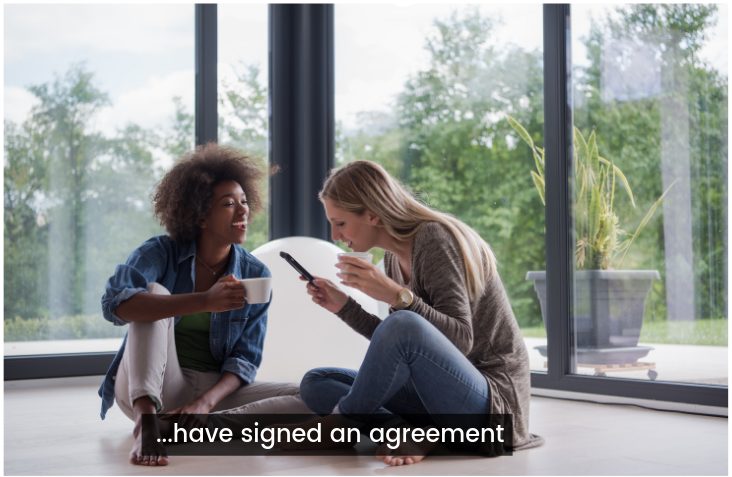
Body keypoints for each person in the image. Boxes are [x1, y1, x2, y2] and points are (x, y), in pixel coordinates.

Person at [299, 160, 543, 466]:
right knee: (317, 382)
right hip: (439, 395)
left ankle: (345, 422)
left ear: (372, 214)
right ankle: (411, 432)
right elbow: (402, 348)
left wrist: (394, 294)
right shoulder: (392, 258)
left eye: (341, 223)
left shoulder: (434, 239)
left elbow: (460, 339)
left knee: (401, 325)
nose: (335, 235)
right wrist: (344, 307)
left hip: (494, 406)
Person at [98, 144, 303, 466]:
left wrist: (205, 403)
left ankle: (197, 426)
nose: (243, 211)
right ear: (200, 215)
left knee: (307, 394)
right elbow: (116, 305)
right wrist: (204, 301)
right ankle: (148, 423)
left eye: (244, 202)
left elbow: (245, 360)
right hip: (152, 386)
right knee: (154, 293)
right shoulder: (159, 252)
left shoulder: (254, 273)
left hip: (210, 391)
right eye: (228, 204)